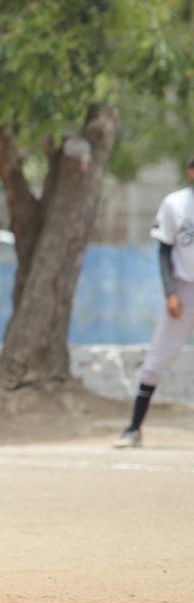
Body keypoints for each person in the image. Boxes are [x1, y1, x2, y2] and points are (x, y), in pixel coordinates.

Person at [115, 154, 194, 447]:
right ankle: (133, 429)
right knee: (157, 360)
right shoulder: (176, 204)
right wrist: (170, 292)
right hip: (183, 290)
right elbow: (164, 252)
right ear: (190, 171)